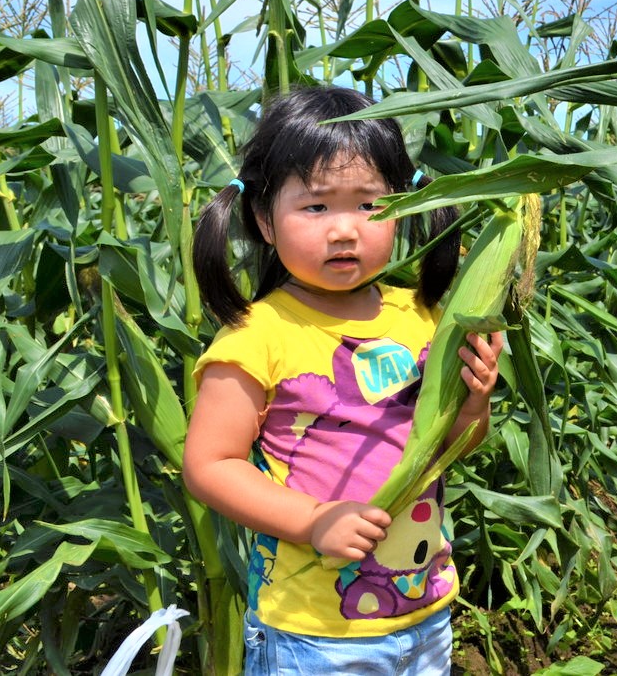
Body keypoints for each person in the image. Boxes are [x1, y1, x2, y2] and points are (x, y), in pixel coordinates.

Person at [184, 84, 502, 676]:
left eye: (369, 205)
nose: (345, 230)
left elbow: (454, 444)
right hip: (314, 632)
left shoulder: (425, 317)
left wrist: (474, 402)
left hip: (425, 608)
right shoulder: (259, 335)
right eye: (316, 206)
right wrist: (313, 521)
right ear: (264, 221)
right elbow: (210, 465)